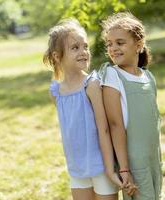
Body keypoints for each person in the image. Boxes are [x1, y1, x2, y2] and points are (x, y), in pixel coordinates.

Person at [43, 18, 120, 200]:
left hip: (101, 165)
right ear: (57, 56)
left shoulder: (91, 84)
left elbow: (104, 129)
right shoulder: (56, 91)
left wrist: (109, 168)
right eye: (75, 48)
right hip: (77, 168)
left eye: (85, 46)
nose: (84, 52)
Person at [100, 12, 163, 200]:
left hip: (153, 159)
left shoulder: (148, 77)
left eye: (120, 43)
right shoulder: (113, 76)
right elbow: (115, 125)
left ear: (139, 45)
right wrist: (125, 168)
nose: (113, 49)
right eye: (109, 44)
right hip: (134, 164)